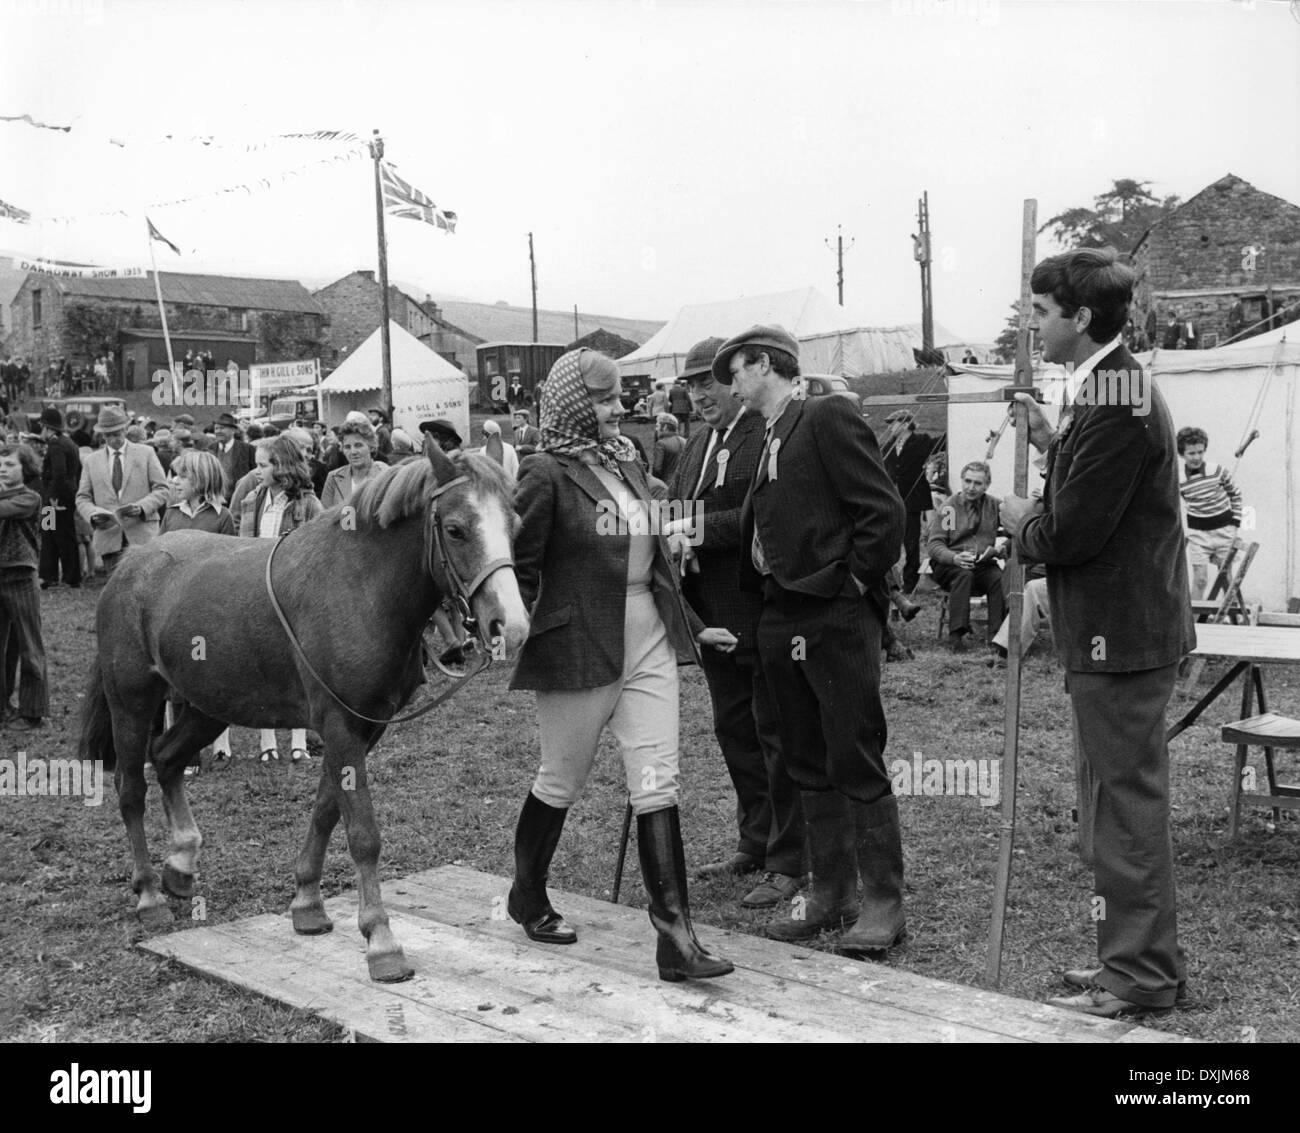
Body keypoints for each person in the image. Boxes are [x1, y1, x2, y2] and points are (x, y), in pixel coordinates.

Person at [999, 247, 1194, 1018]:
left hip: (1123, 636)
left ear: (1081, 318)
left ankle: (1141, 977)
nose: (1032, 323)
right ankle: (1131, 957)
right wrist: (1051, 442)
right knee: (1107, 807)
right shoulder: (1108, 385)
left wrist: (1022, 523)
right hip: (1114, 633)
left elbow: (1075, 529)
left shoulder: (1118, 397)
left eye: (1042, 312)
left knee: (1122, 811)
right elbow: (1099, 480)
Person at [508, 347, 736, 983]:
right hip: (578, 645)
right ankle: (527, 892)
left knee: (658, 783)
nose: (618, 410)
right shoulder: (543, 472)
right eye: (605, 400)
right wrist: (509, 626)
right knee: (560, 779)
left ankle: (676, 941)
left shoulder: (629, 459)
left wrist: (691, 626)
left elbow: (655, 560)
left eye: (619, 398)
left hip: (648, 642)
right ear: (575, 404)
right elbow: (521, 570)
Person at [723, 324, 907, 955]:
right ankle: (830, 892)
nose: (731, 383)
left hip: (832, 612)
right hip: (780, 614)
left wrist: (850, 585)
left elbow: (882, 514)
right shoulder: (767, 435)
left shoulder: (825, 416)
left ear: (768, 365)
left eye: (737, 369)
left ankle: (882, 902)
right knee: (803, 754)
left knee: (852, 749)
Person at [665, 336, 806, 910]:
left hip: (759, 610)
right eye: (691, 384)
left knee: (776, 734)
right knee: (735, 731)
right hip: (710, 616)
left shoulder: (764, 435)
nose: (699, 394)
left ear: (735, 378)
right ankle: (755, 838)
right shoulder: (697, 444)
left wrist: (689, 532)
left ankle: (789, 857)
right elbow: (678, 508)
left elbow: (757, 517)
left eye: (708, 381)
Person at [241, 436, 323, 763]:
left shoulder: (309, 504)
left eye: (263, 465)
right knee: (262, 663)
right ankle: (267, 741)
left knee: (297, 664)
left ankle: (300, 739)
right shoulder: (252, 500)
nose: (257, 471)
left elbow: (319, 551)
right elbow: (242, 545)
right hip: (257, 587)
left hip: (294, 594)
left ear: (282, 467)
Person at [159, 449, 237, 769]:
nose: (175, 481)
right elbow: (160, 557)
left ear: (202, 480)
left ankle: (209, 746)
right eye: (174, 474)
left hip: (206, 612)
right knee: (175, 683)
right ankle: (182, 753)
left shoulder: (222, 517)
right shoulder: (171, 514)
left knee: (202, 681)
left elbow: (231, 566)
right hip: (173, 610)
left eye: (183, 476)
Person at [925, 460, 1008, 654]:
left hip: (981, 564)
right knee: (964, 575)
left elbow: (1014, 535)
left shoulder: (995, 506)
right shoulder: (951, 508)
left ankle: (997, 637)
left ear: (987, 485)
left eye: (977, 483)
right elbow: (935, 544)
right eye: (967, 481)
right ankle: (956, 635)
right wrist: (954, 558)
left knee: (998, 578)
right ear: (961, 481)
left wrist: (1000, 548)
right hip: (950, 565)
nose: (971, 487)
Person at [75, 406, 169, 575]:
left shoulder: (146, 453)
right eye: (107, 435)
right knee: (115, 592)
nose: (112, 440)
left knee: (146, 586)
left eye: (116, 434)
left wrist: (142, 507)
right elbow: (82, 497)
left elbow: (162, 488)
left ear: (126, 429)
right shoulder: (91, 461)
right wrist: (93, 514)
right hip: (109, 536)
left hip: (142, 535)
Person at [0, 443, 50, 730]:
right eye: (1, 465)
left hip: (21, 577)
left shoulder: (30, 498)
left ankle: (33, 712)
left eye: (10, 465)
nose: (3, 469)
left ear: (25, 469)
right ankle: (3, 707)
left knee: (29, 645)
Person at [1176, 426, 1242, 599]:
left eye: (1200, 452)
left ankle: (1233, 622)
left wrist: (1235, 523)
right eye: (1191, 453)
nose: (1197, 457)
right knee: (1200, 580)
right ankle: (1193, 623)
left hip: (1224, 532)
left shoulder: (1217, 471)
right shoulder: (1179, 479)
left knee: (1226, 577)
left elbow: (1236, 495)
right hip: (1199, 535)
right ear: (1182, 454)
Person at [882, 410, 943, 594]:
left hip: (913, 500)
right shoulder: (888, 446)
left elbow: (942, 442)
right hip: (892, 500)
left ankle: (910, 581)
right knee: (889, 540)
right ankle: (892, 580)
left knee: (911, 542)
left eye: (892, 423)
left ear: (904, 424)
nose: (890, 427)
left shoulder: (922, 441)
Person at [37, 407, 82, 590]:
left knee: (51, 535)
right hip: (67, 494)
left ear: (47, 427)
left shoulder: (55, 444)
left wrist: (53, 498)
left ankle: (50, 576)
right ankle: (70, 576)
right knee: (65, 535)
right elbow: (75, 470)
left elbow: (59, 472)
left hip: (54, 498)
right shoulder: (69, 442)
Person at [320, 419, 384, 510]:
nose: (353, 452)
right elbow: (325, 518)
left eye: (358, 445)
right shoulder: (333, 478)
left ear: (371, 447)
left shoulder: (385, 475)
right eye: (347, 447)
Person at [212, 411, 255, 504]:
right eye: (216, 428)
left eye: (222, 428)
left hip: (239, 500)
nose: (218, 431)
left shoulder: (247, 449)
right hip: (214, 501)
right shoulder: (209, 449)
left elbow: (255, 474)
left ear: (233, 430)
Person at [650, 413, 685, 482]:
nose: (656, 429)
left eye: (657, 426)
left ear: (665, 427)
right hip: (684, 483)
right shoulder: (684, 441)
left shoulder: (661, 443)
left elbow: (657, 469)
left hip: (666, 484)